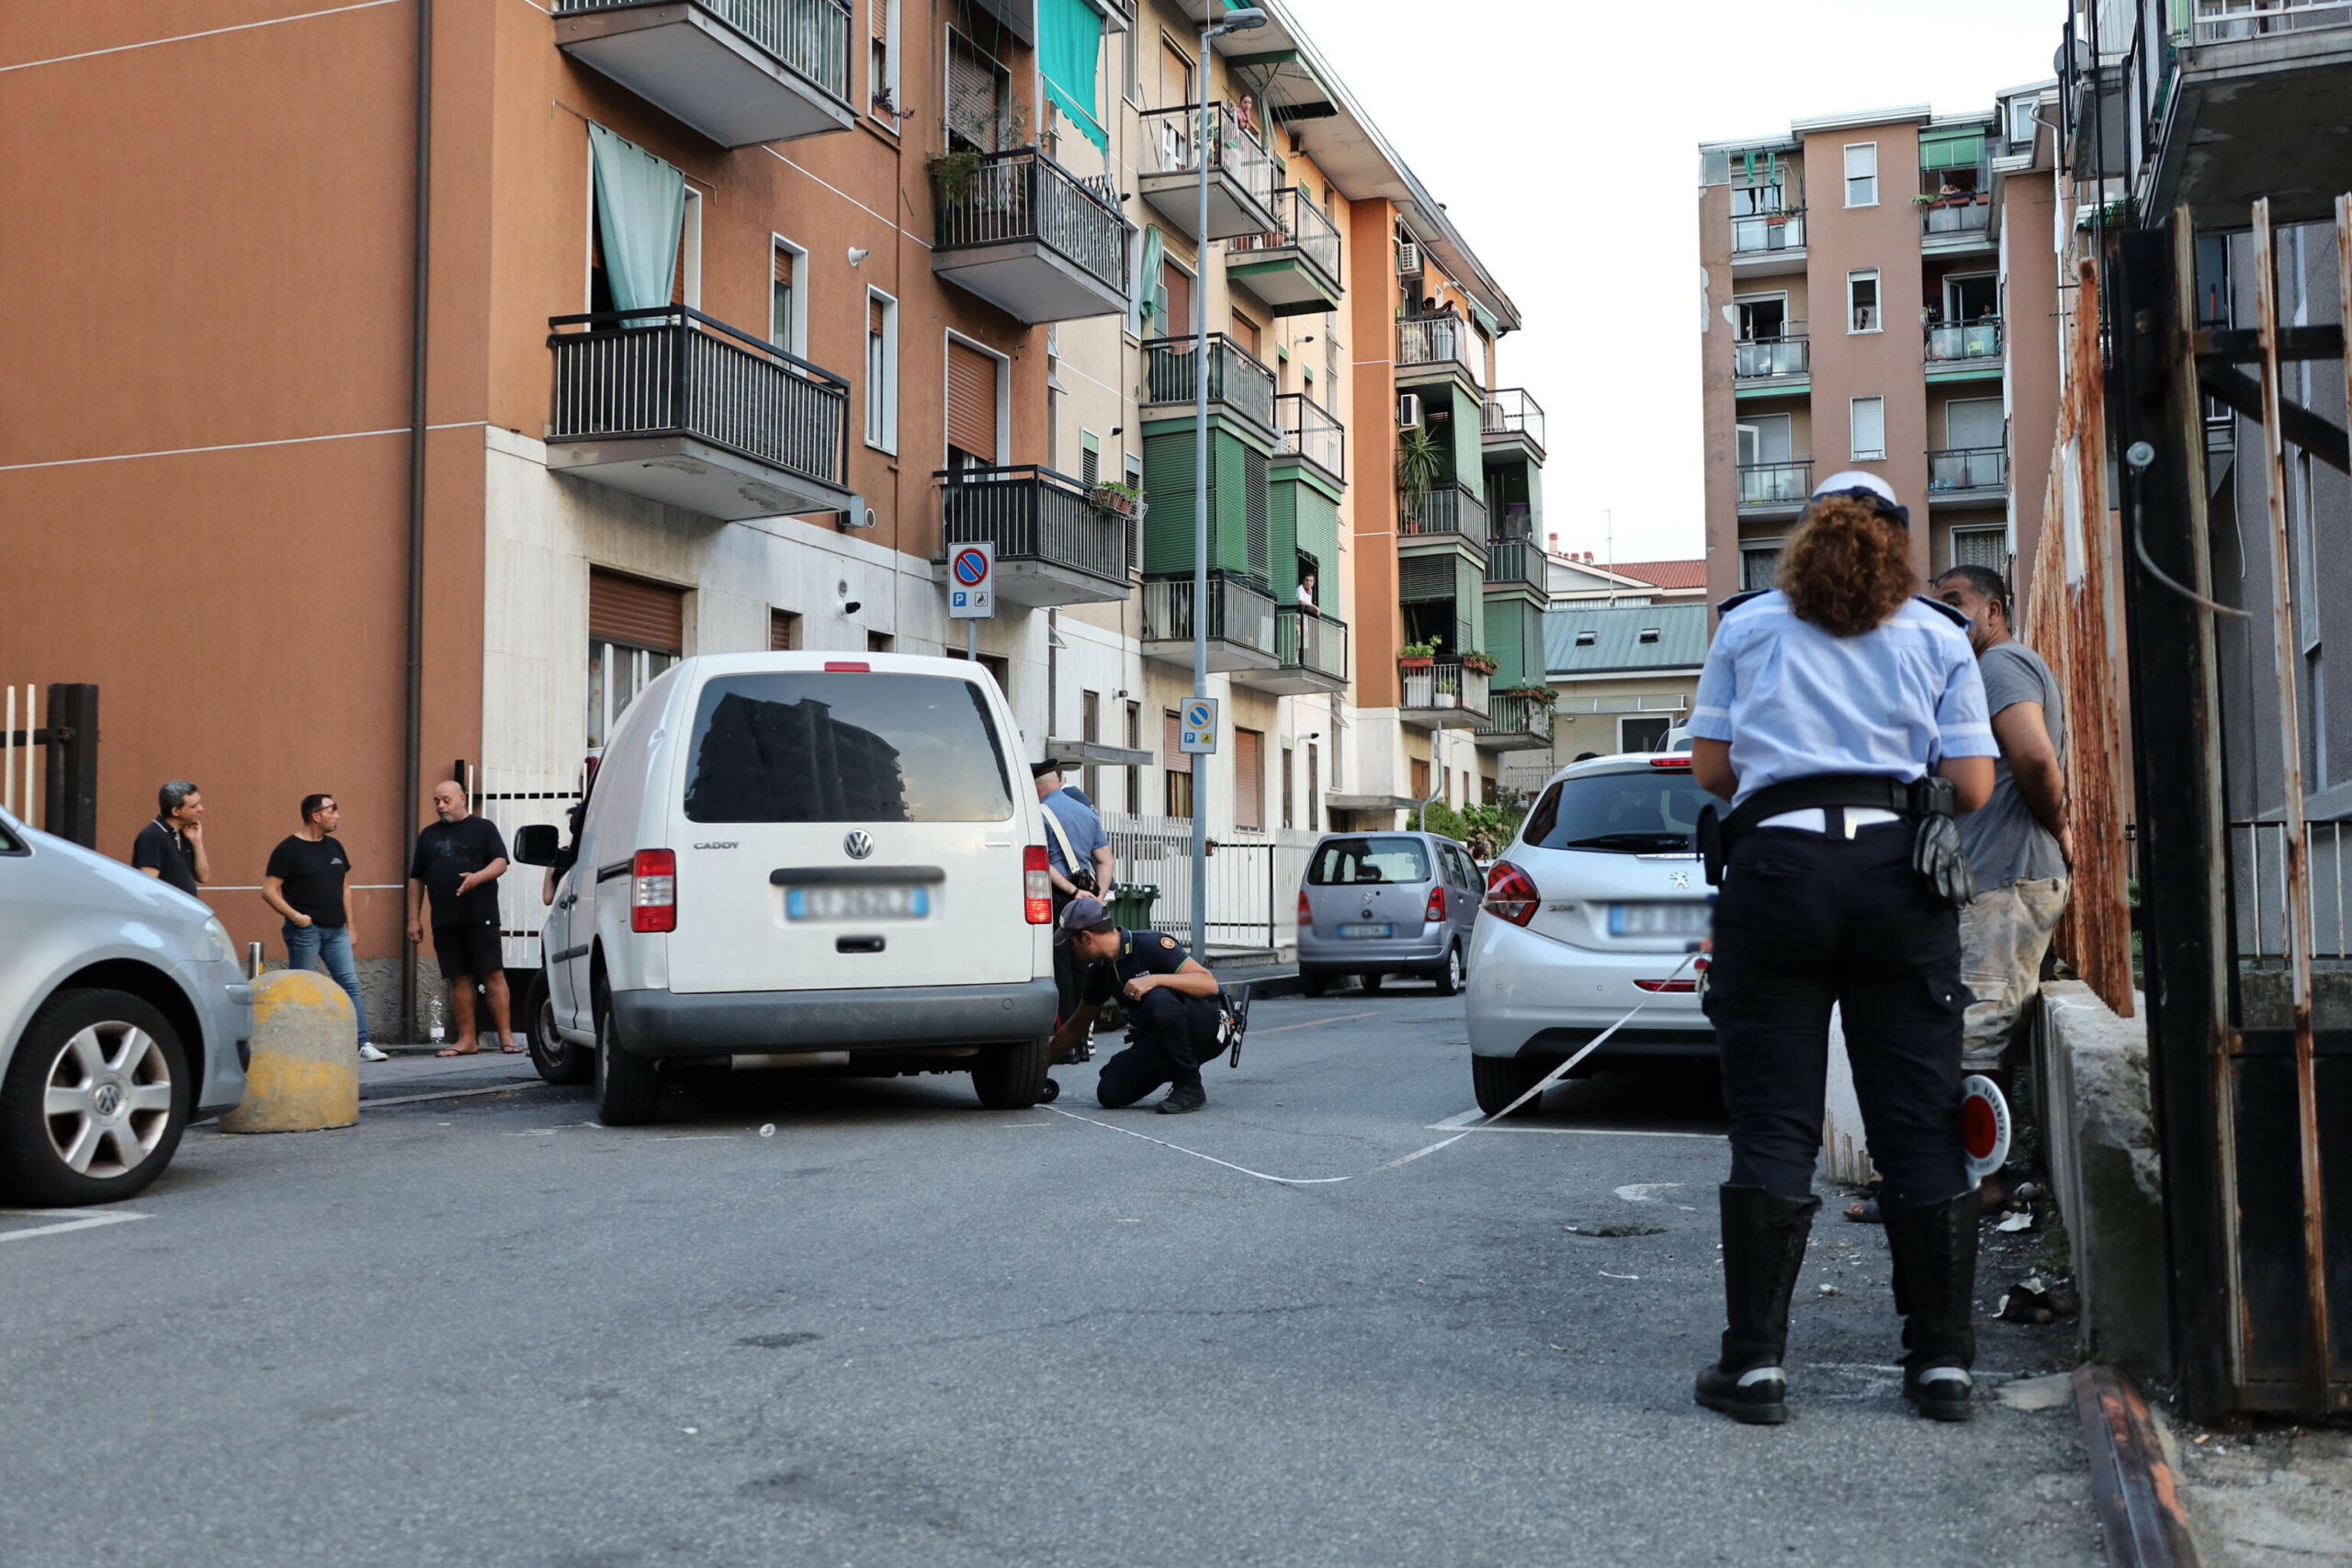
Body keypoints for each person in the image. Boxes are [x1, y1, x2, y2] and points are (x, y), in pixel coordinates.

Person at [1686, 470, 1998, 1427]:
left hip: (1776, 873)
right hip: (1895, 878)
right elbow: (1976, 785)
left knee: (1773, 1122)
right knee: (1915, 1122)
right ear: (1900, 546)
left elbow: (1710, 769)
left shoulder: (1745, 628)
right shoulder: (1939, 636)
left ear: (1802, 539)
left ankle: (1755, 1368)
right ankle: (1940, 1365)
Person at [1932, 565, 2071, 1181]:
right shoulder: (1991, 668)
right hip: (2001, 879)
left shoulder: (1998, 666)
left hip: (2006, 880)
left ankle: (1972, 1188)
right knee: (1985, 1035)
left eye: (1956, 603)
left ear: (1993, 611)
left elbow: (2037, 755)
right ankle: (1979, 1180)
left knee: (1971, 1036)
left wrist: (2059, 825)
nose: (1949, 616)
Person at [1049, 896, 1224, 1115]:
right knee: (1110, 1092)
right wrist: (1037, 1068)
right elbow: (1076, 1027)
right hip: (1162, 1036)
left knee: (1158, 998)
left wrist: (1154, 980)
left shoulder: (1150, 944)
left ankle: (1190, 1085)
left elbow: (1209, 984)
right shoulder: (1100, 973)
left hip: (1209, 1025)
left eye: (1071, 944)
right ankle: (1173, 1064)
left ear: (1087, 938)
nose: (1070, 952)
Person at [264, 793, 387, 1062]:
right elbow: (269, 891)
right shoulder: (288, 849)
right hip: (305, 931)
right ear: (315, 816)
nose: (338, 815)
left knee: (350, 984)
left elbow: (345, 887)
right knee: (303, 987)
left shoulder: (335, 847)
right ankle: (301, 1046)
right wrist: (296, 917)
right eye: (333, 809)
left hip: (336, 930)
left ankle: (362, 1043)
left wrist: (350, 926)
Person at [405, 780, 516, 1057]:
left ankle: (506, 1037)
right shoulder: (428, 835)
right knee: (458, 978)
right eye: (436, 801)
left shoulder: (483, 828)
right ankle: (467, 1039)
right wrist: (413, 919)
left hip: (481, 915)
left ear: (462, 798)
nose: (440, 805)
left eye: (446, 800)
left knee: (492, 974)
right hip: (445, 918)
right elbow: (416, 878)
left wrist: (477, 878)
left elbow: (500, 862)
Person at [1035, 759, 1114, 1028]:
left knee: (1060, 966)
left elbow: (1042, 862)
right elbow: (1106, 860)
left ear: (1037, 786)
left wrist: (1072, 891)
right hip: (1088, 898)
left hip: (1059, 896)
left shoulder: (1039, 813)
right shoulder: (1087, 813)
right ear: (1058, 782)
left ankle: (1066, 1039)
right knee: (1082, 965)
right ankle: (1082, 1037)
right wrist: (1097, 899)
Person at [131, 780, 209, 899]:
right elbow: (146, 886)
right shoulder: (153, 836)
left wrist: (197, 842)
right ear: (176, 811)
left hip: (185, 913)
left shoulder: (184, 832)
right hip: (166, 915)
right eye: (194, 806)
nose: (201, 809)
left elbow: (203, 876)